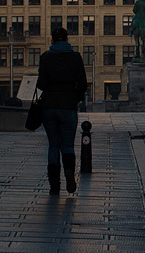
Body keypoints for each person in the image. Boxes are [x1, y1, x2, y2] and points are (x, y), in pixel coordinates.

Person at [36, 27, 87, 195]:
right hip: (68, 105)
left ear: (52, 40)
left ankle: (54, 185)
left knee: (53, 145)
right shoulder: (75, 57)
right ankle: (69, 173)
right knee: (67, 145)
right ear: (67, 39)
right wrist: (76, 98)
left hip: (49, 105)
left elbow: (41, 84)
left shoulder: (46, 57)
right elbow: (83, 84)